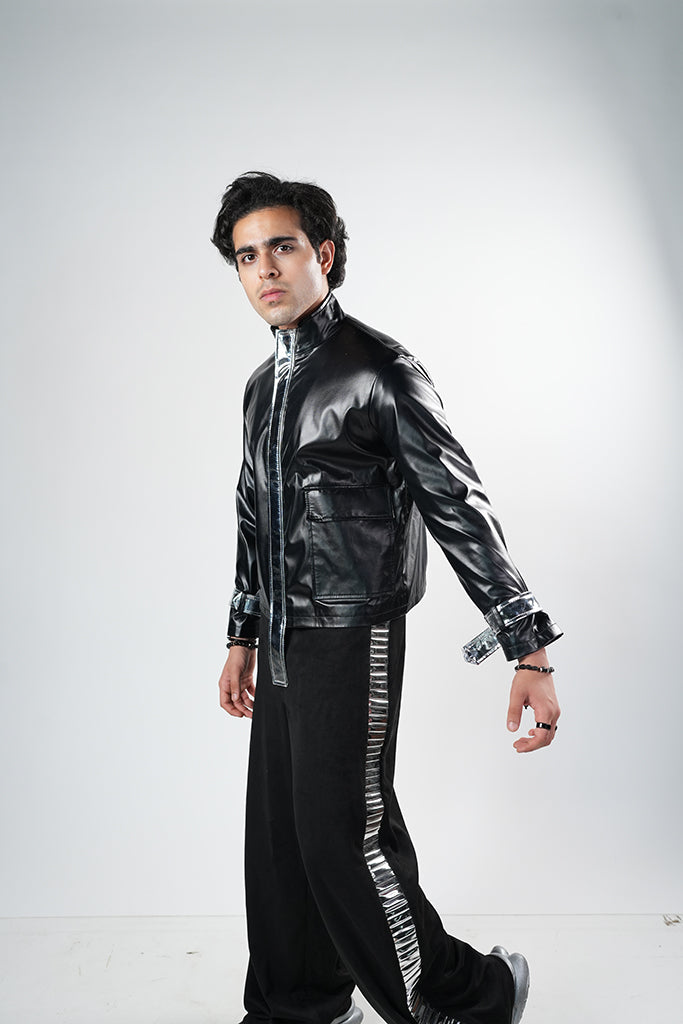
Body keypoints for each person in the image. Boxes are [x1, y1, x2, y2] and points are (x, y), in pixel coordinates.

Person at [212, 172, 562, 1024]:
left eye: (282, 247)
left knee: (343, 836)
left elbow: (457, 504)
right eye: (247, 256)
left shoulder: (379, 371)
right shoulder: (262, 385)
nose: (265, 269)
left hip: (351, 631)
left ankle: (470, 998)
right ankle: (301, 1004)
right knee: (282, 838)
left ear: (324, 254)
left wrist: (526, 646)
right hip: (283, 635)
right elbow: (254, 514)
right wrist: (242, 635)